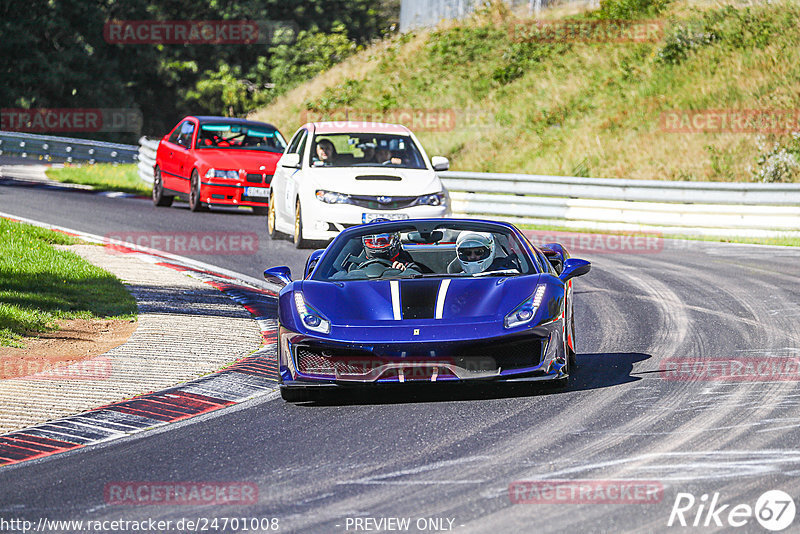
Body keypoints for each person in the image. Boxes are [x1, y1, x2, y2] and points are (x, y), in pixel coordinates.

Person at [451, 231, 521, 275]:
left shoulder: (507, 273)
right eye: (467, 253)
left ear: (490, 251)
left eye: (478, 252)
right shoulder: (459, 277)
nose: (472, 257)